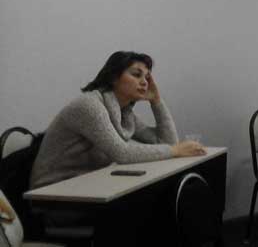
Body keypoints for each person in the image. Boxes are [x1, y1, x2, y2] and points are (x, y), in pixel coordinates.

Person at [30, 51, 205, 190]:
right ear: (114, 77)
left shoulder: (125, 113)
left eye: (147, 77)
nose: (145, 82)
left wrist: (156, 101)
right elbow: (122, 153)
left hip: (88, 186)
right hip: (54, 194)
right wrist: (175, 150)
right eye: (136, 75)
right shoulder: (89, 105)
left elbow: (167, 141)